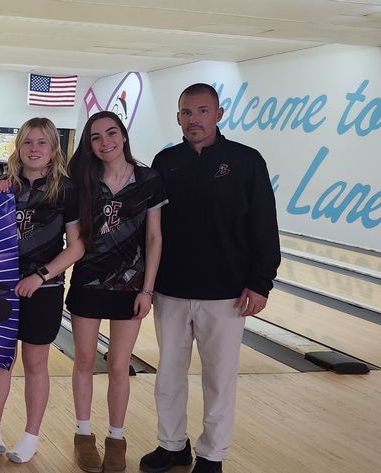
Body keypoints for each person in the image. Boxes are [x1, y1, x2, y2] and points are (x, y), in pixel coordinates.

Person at [139, 83, 280, 473]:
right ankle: (171, 445)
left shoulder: (246, 160)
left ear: (218, 114)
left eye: (202, 111)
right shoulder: (165, 161)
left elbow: (264, 225)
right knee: (168, 373)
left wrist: (260, 282)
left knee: (219, 378)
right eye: (186, 112)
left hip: (227, 293)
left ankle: (212, 454)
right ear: (178, 117)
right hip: (171, 290)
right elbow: (152, 228)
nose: (193, 119)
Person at [66, 111, 165, 473]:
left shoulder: (149, 180)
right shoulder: (82, 181)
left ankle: (117, 439)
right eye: (95, 137)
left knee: (120, 367)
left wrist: (148, 289)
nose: (105, 141)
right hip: (88, 282)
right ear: (89, 145)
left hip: (131, 285)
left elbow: (154, 237)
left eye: (111, 133)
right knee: (84, 361)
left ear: (123, 136)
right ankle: (83, 435)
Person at [0, 117, 82, 463]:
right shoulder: (2, 185)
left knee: (35, 362)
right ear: (18, 147)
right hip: (3, 287)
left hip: (45, 288)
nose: (34, 149)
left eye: (42, 142)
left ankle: (30, 436)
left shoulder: (67, 190)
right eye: (28, 142)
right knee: (1, 359)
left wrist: (40, 276)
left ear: (54, 148)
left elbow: (76, 246)